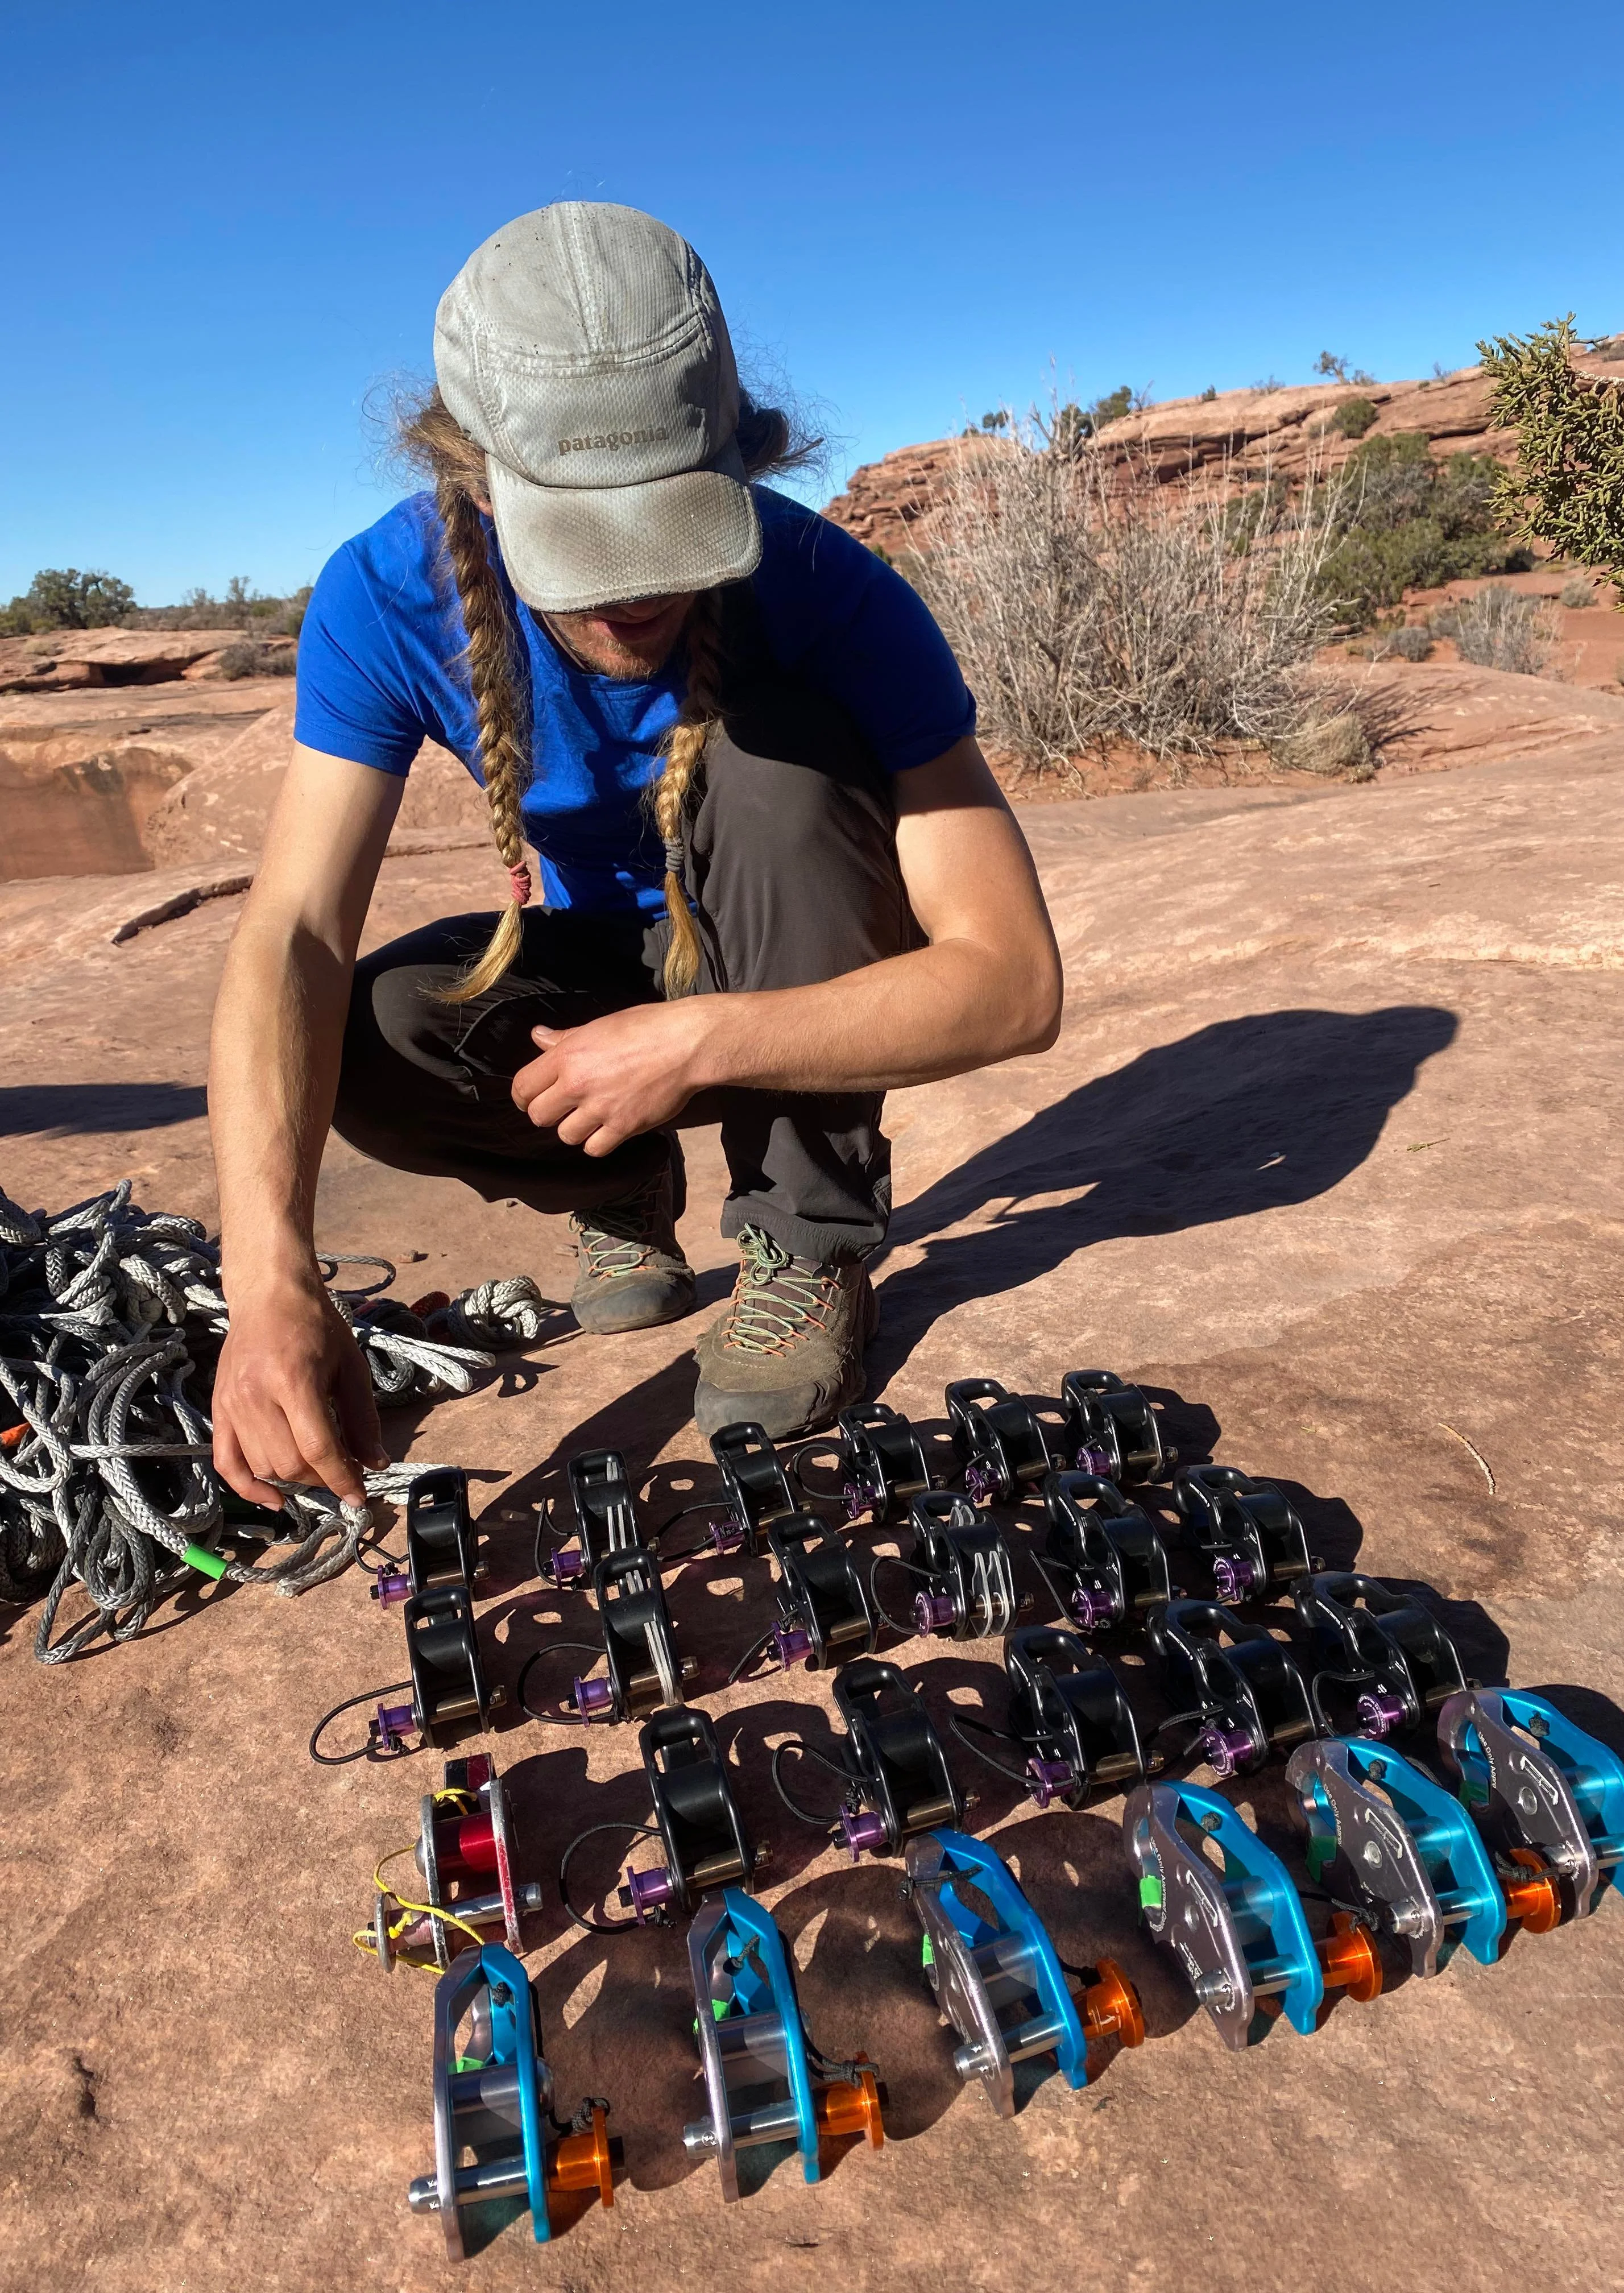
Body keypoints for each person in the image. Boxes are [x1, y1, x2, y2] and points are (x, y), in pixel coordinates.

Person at [208, 201, 1062, 1513]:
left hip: (781, 962)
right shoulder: (386, 597)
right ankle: (619, 1183)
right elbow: (295, 935)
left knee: (773, 765)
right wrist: (267, 1278)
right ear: (474, 478)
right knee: (377, 1026)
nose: (626, 595)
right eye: (576, 538)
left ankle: (808, 1237)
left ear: (743, 453)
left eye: (663, 527)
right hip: (603, 986)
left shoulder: (833, 594)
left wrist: (697, 1045)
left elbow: (1011, 981)